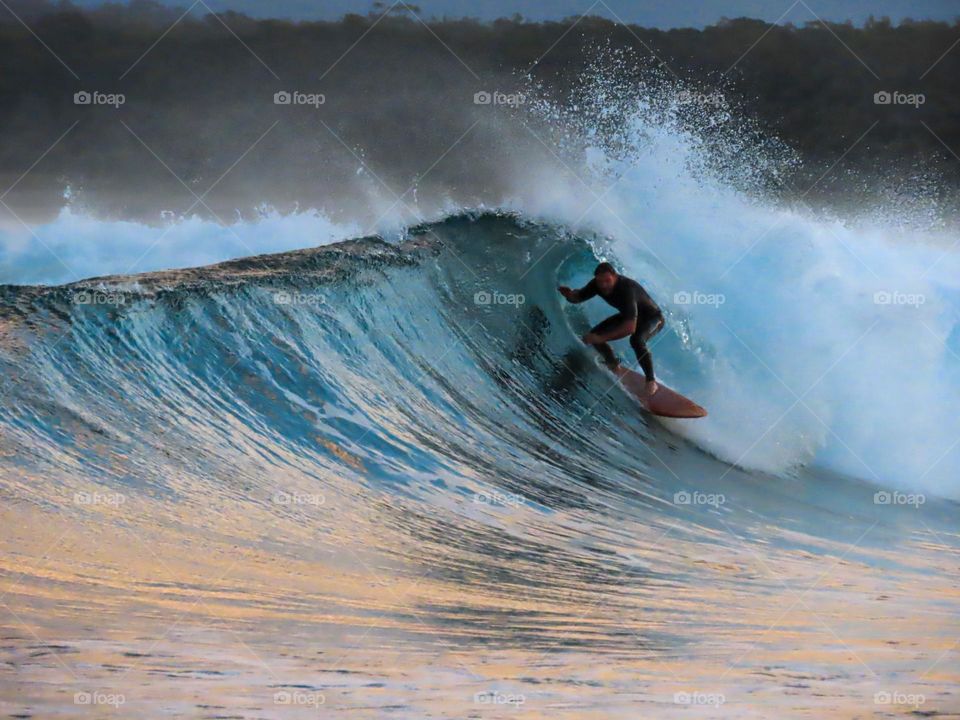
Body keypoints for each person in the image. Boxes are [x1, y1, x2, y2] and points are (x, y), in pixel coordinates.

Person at [558, 262, 665, 395]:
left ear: (615, 277)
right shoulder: (597, 285)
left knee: (636, 340)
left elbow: (630, 328)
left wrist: (600, 338)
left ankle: (651, 381)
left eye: (608, 281)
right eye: (600, 281)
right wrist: (569, 296)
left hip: (653, 318)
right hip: (630, 316)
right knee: (594, 335)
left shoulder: (627, 289)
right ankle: (613, 363)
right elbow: (579, 297)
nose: (604, 285)